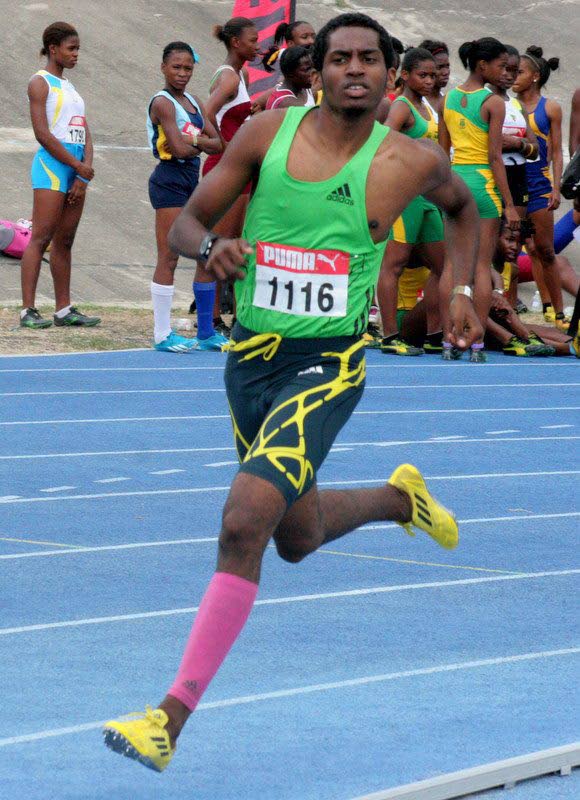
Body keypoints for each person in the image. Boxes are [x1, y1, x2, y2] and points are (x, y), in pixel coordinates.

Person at [103, 12, 482, 773]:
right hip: (250, 361)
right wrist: (212, 248)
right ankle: (399, 500)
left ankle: (168, 717)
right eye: (338, 58)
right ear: (315, 69)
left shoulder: (410, 159)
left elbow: (466, 209)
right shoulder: (264, 136)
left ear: (390, 72)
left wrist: (464, 286)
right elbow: (188, 225)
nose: (353, 70)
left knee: (244, 519)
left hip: (329, 364)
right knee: (294, 536)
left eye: (369, 59)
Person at [439, 37, 519, 362]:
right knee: (482, 266)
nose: (504, 72)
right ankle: (476, 343)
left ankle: (449, 338)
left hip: (455, 181)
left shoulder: (449, 98)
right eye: (500, 66)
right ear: (482, 65)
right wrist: (510, 204)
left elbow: (442, 152)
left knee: (451, 266)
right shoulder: (493, 102)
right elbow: (495, 156)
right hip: (483, 185)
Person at [19, 21, 100, 330]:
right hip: (52, 168)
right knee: (41, 238)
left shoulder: (71, 88)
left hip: (76, 170)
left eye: (78, 48)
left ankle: (64, 309)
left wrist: (84, 175)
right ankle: (28, 310)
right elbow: (43, 135)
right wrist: (77, 167)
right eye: (72, 48)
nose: (76, 54)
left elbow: (85, 132)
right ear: (53, 49)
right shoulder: (40, 83)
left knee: (65, 241)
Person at [148, 42, 222, 352]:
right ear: (164, 68)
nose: (182, 73)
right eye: (176, 67)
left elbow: (219, 144)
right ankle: (162, 333)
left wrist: (195, 141)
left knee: (206, 252)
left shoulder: (194, 101)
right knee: (170, 255)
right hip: (169, 181)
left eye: (188, 68)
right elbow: (177, 150)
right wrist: (199, 141)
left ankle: (205, 331)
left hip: (193, 180)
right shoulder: (163, 103)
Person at [379, 48, 445, 356]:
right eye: (423, 75)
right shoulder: (402, 107)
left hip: (430, 196)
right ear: (405, 75)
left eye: (433, 75)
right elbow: (382, 141)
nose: (430, 80)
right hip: (407, 197)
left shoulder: (429, 107)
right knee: (394, 264)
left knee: (443, 266)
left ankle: (434, 331)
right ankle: (390, 334)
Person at [200, 17, 260, 340]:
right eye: (253, 40)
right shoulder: (228, 79)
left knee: (235, 242)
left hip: (239, 169)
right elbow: (206, 111)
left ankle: (232, 315)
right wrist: (222, 144)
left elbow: (231, 115)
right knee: (219, 242)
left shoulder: (242, 74)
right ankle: (209, 319)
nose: (258, 45)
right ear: (236, 43)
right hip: (224, 167)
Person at [514, 46, 568, 329]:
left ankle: (559, 312)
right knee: (528, 248)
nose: (513, 77)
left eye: (519, 72)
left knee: (545, 249)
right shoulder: (507, 105)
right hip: (514, 185)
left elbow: (557, 152)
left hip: (539, 185)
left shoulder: (550, 108)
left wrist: (556, 187)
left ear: (534, 76)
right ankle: (546, 304)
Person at [488, 45, 538, 219]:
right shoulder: (482, 99)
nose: (509, 76)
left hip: (518, 176)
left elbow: (535, 150)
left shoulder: (518, 105)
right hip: (491, 175)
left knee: (514, 235)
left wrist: (517, 144)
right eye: (504, 69)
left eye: (514, 71)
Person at [418, 39, 450, 121]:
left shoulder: (448, 101)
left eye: (447, 66)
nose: (446, 72)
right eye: (440, 67)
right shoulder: (418, 102)